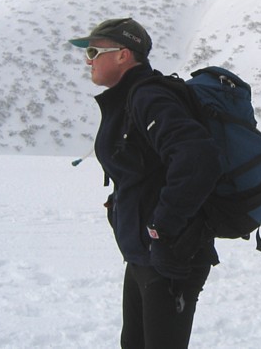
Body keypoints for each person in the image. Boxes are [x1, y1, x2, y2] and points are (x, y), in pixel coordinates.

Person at [75, 17, 222, 348]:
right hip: (144, 254)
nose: (88, 60)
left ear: (124, 55)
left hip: (170, 256)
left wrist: (163, 227)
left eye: (95, 51)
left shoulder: (149, 97)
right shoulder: (128, 99)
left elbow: (198, 158)